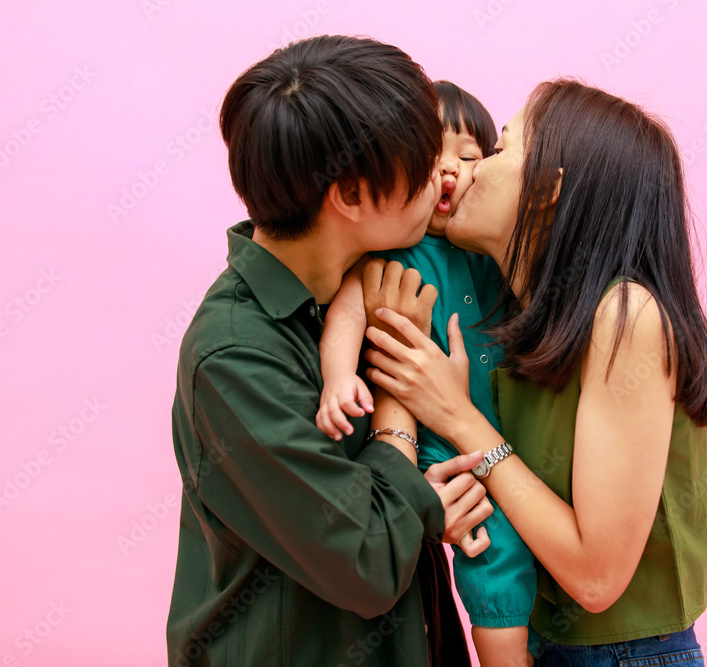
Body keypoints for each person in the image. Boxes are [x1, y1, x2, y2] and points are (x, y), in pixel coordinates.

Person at [360, 79, 707, 666]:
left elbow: (595, 578)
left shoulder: (625, 315)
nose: (474, 169)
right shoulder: (515, 315)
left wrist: (457, 416)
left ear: (547, 187)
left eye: (500, 149)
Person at [166, 36, 494, 667]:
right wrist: (402, 394)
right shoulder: (233, 355)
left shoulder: (368, 282)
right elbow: (365, 558)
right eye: (423, 158)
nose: (441, 176)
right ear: (349, 196)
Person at [316, 81, 538, 667]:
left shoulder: (490, 248)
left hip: (509, 441)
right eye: (430, 158)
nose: (448, 171)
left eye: (468, 159)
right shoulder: (396, 248)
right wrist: (340, 377)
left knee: (534, 544)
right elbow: (347, 311)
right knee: (494, 554)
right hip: (445, 453)